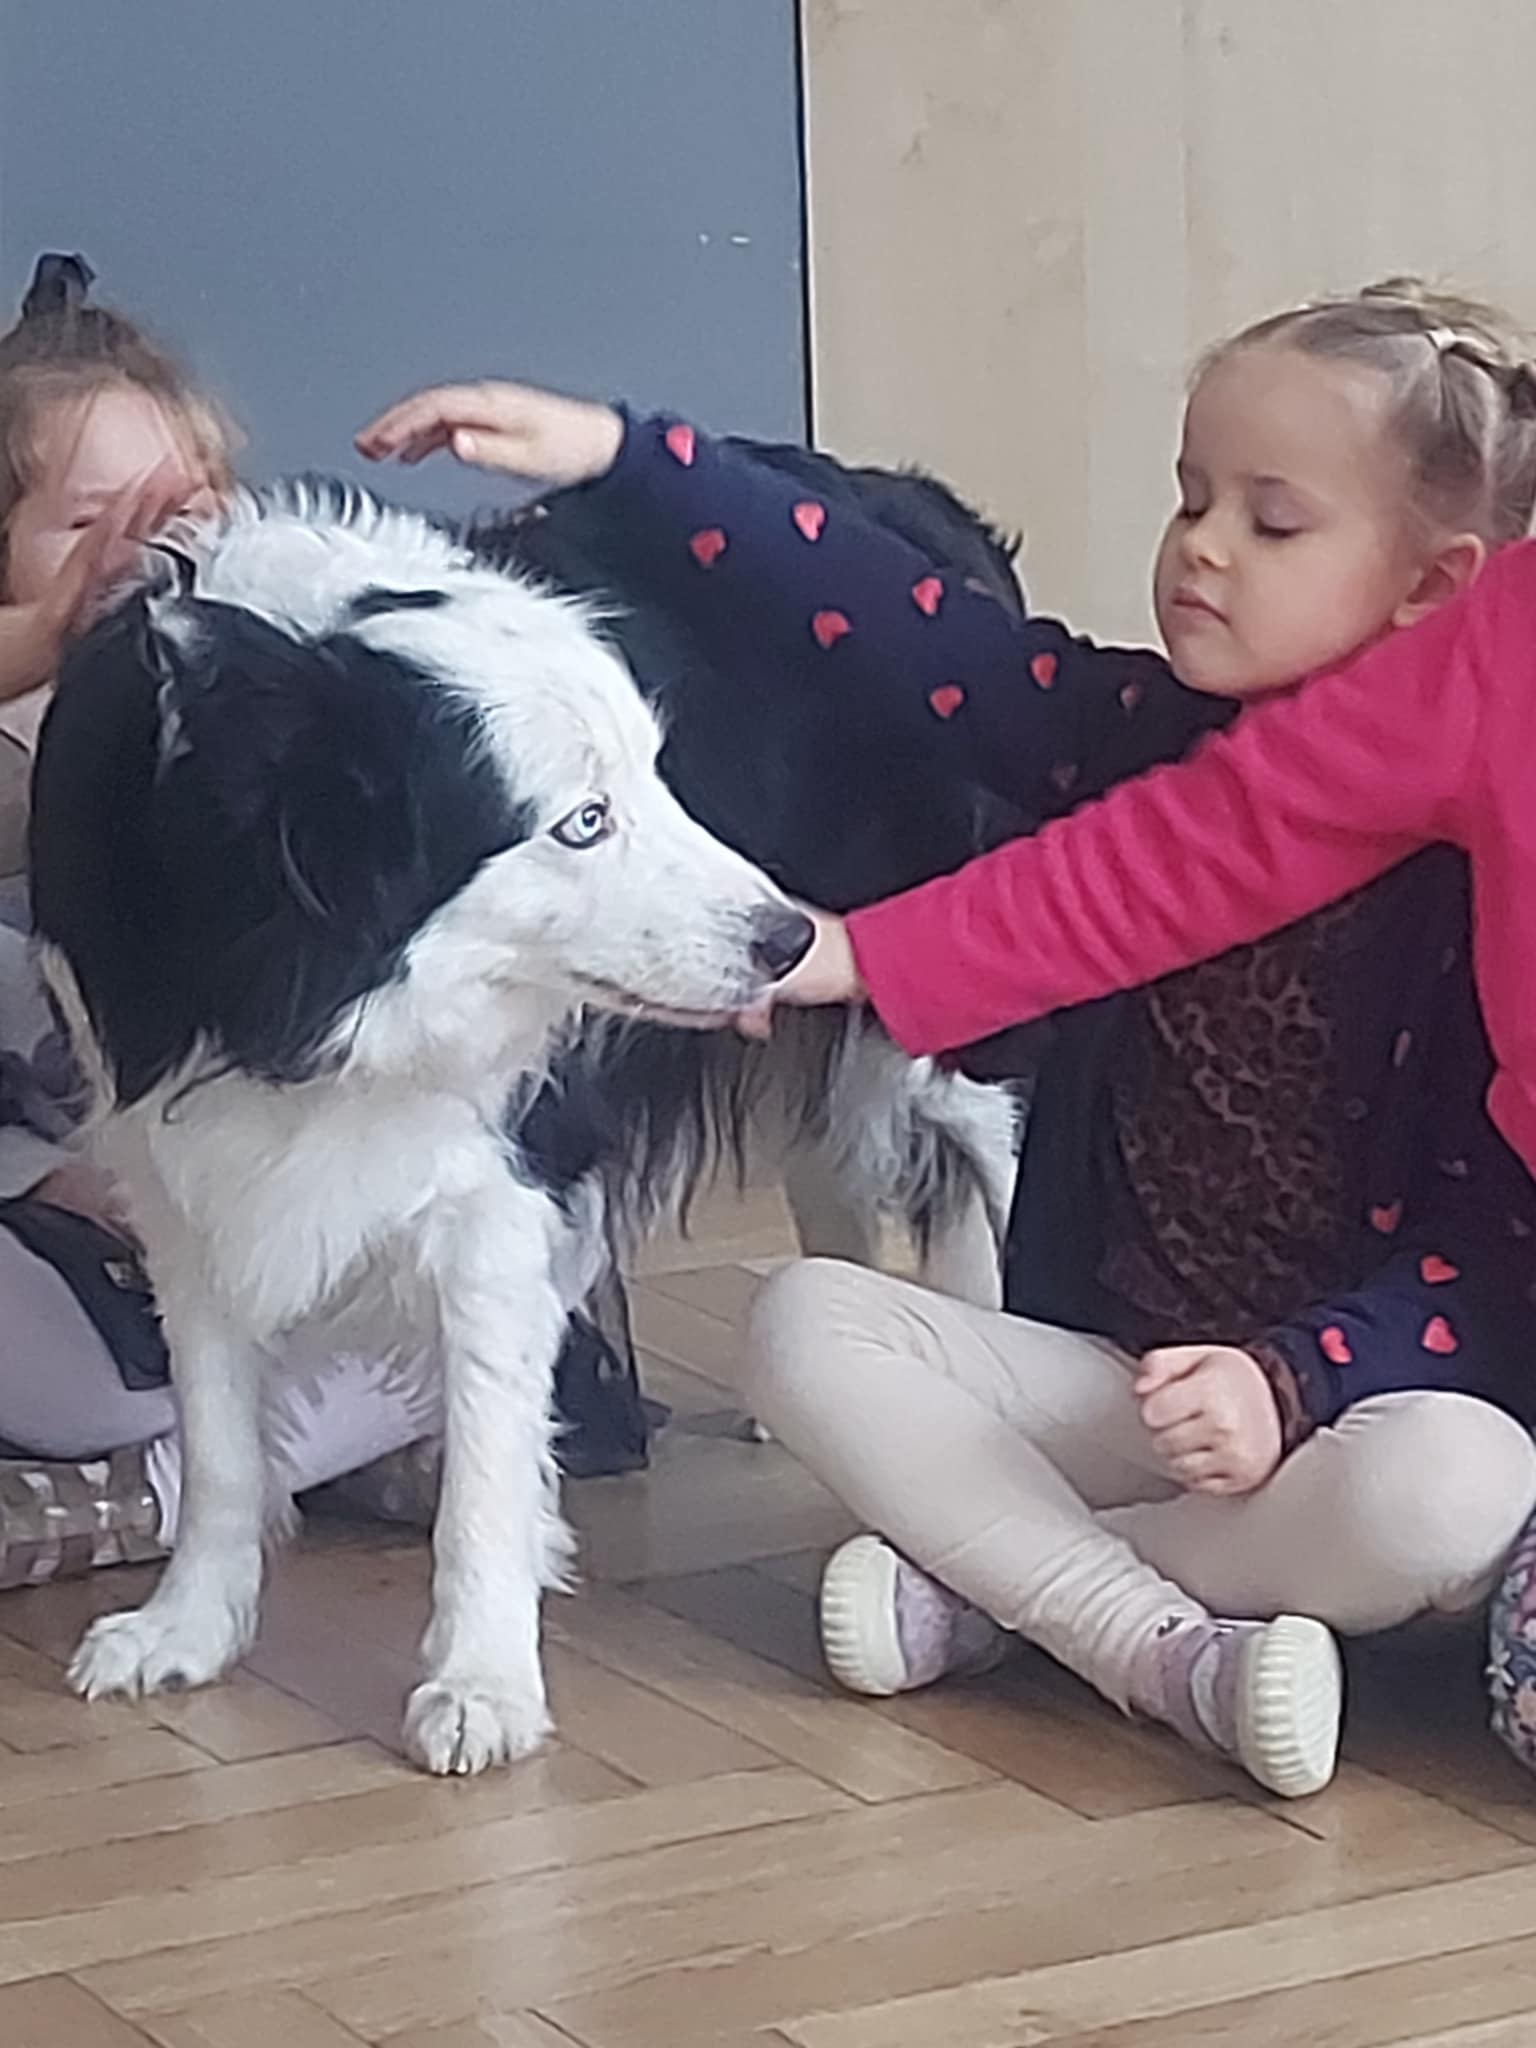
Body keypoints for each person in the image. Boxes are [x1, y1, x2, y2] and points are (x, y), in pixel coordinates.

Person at [357, 278, 1536, 1796]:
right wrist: (628, 457)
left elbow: (1488, 1265)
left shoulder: (1464, 879)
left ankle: (1017, 1594)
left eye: (1274, 521)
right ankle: (1152, 1636)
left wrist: (1294, 1379)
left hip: (1347, 1408)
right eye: (1191, 499)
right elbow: (909, 637)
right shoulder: (1137, 736)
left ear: (1435, 588)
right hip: (1115, 1387)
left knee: (1451, 1484)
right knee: (802, 1324)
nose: (1202, 547)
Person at [0, 255, 444, 1589]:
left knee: (516, 1259)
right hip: (67, 1236)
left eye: (176, 513)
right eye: (85, 523)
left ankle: (184, 1484)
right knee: (55, 1367)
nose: (134, 558)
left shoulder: (280, 724)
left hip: (290, 1203)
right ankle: (270, 1454)